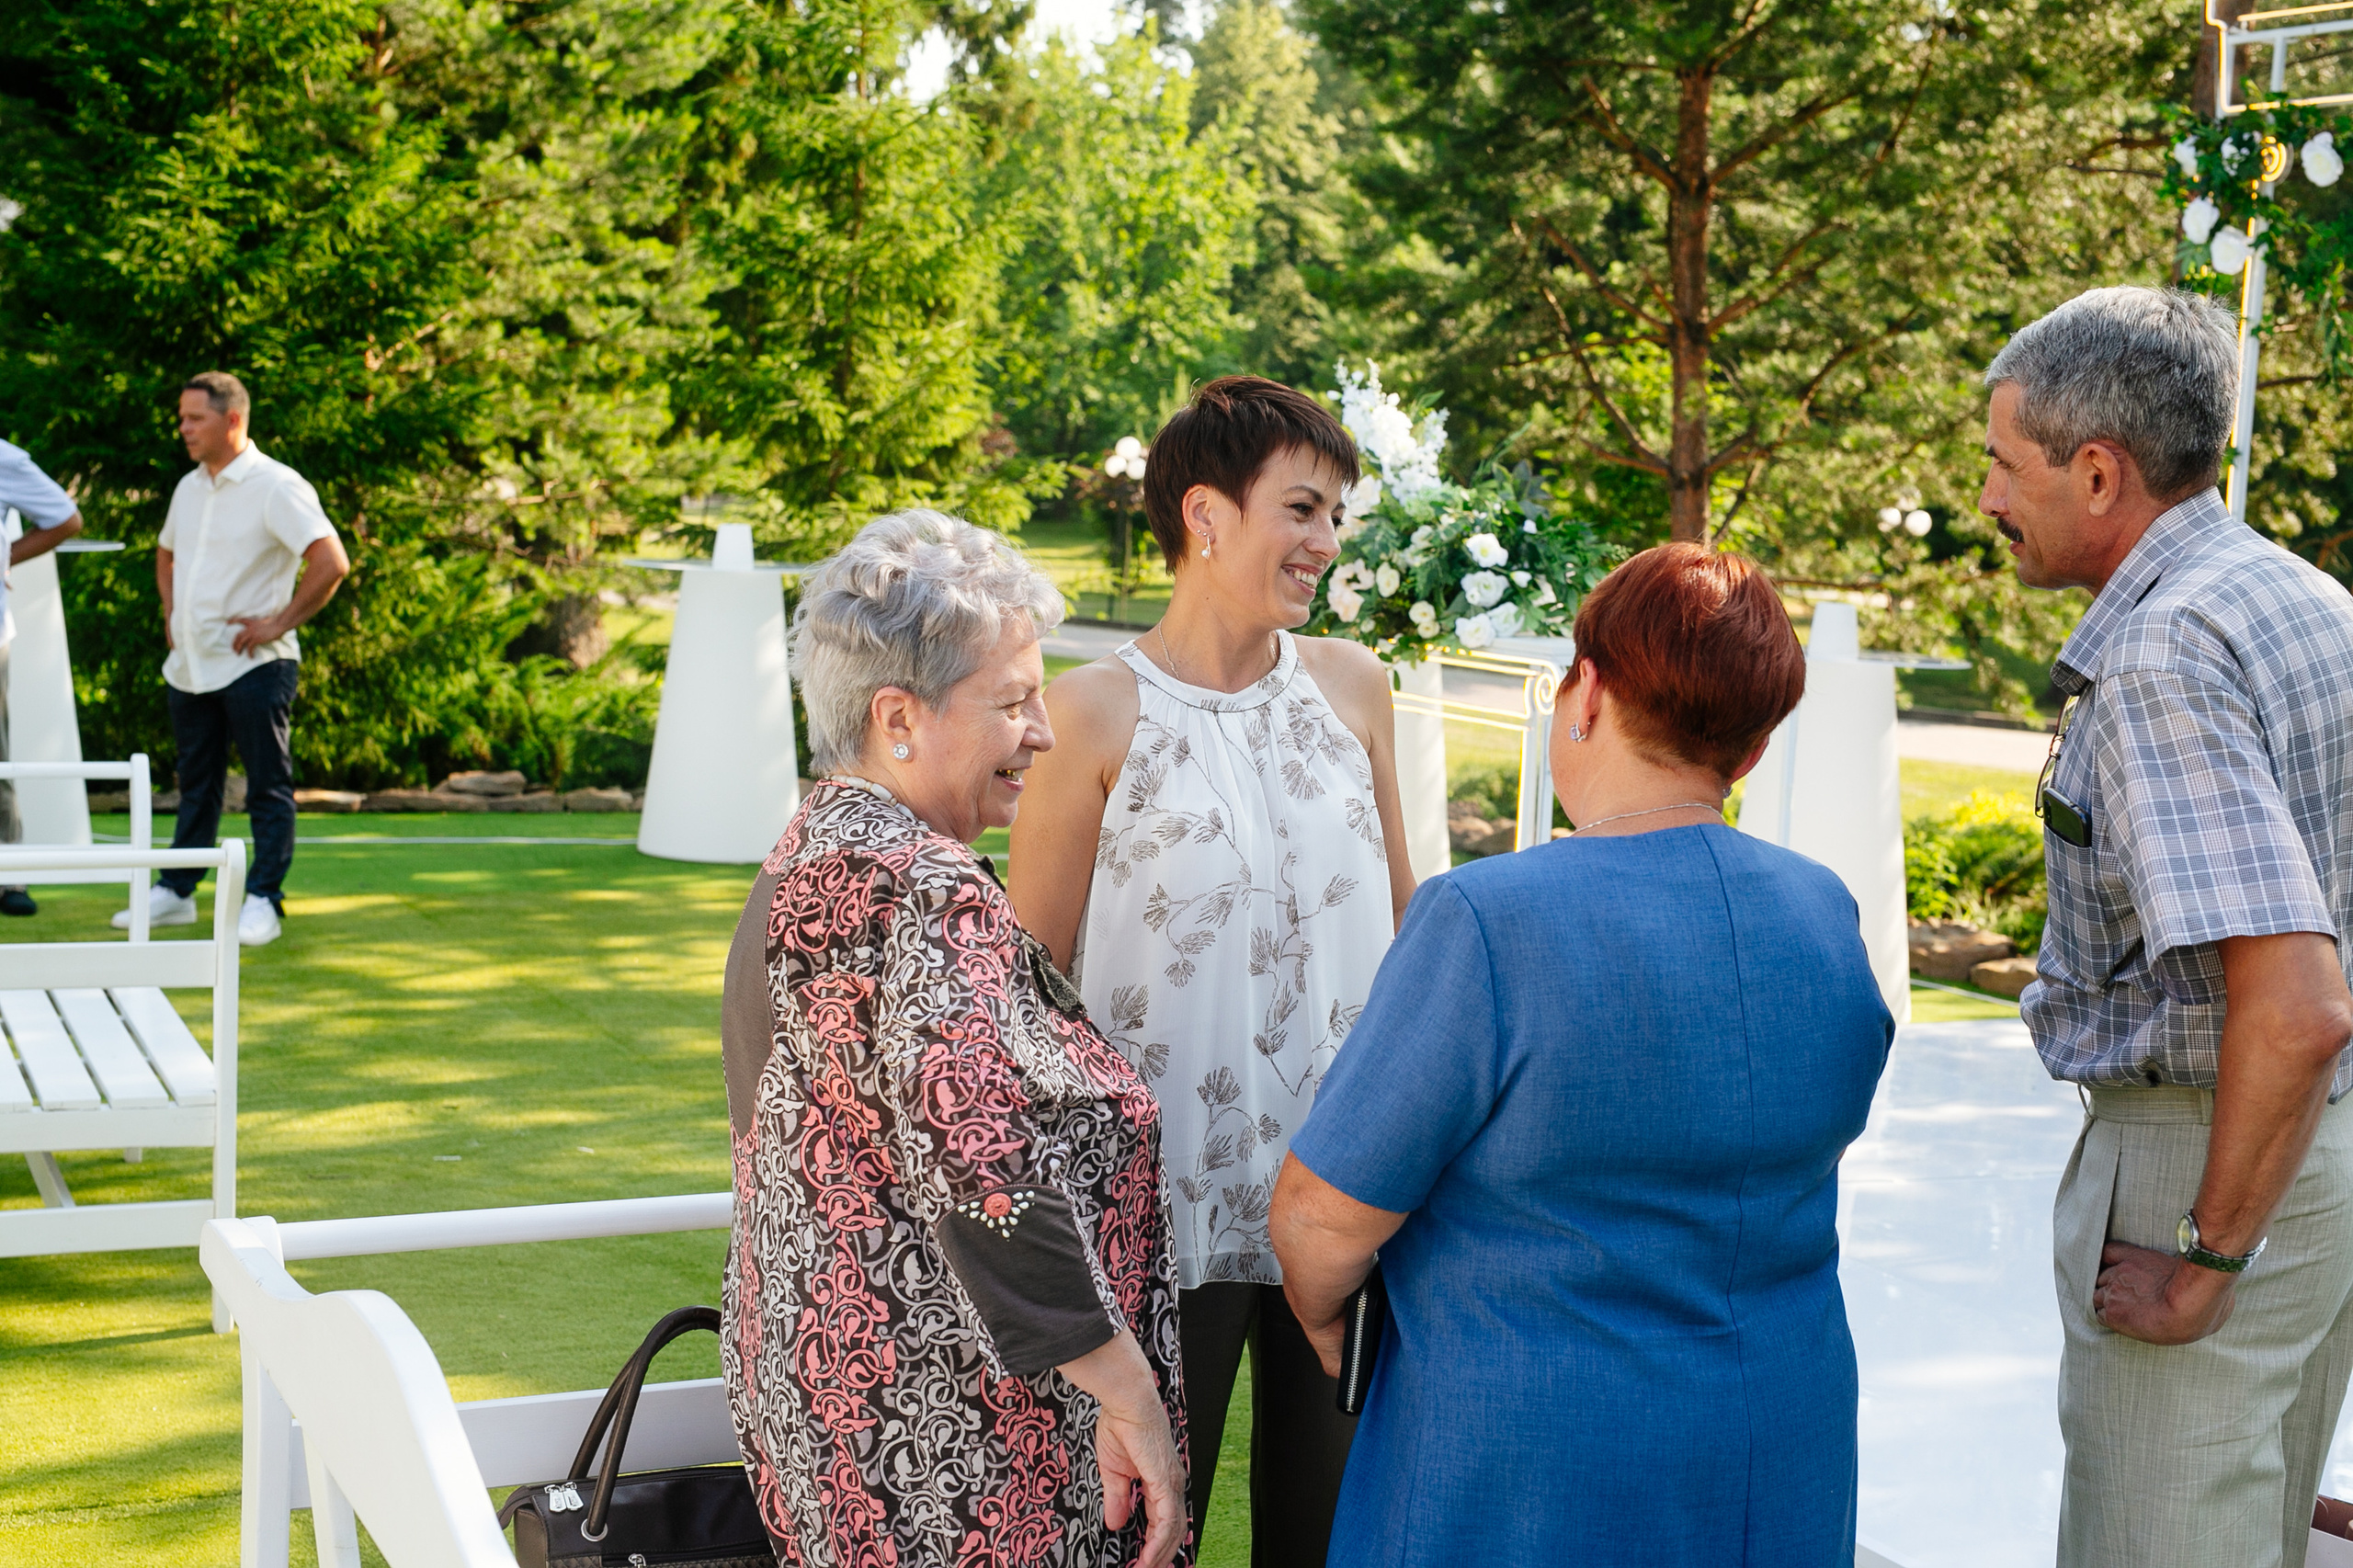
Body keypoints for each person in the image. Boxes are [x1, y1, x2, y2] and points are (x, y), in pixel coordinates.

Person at [1269, 543, 1896, 1568]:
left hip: (1526, 1465)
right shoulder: (1822, 908)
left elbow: (1319, 1215)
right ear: (1749, 750)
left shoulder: (1488, 917)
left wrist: (1331, 1325)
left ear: (1588, 692)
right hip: (1778, 1429)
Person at [720, 510, 1188, 1568]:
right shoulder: (924, 889)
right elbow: (987, 1169)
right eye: (1014, 702)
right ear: (899, 717)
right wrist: (1129, 1395)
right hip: (956, 1444)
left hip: (839, 1406)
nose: (1045, 732)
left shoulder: (810, 855)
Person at [1979, 286, 2353, 1568]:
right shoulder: (2300, 597)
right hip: (2312, 1158)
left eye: (2000, 462)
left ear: (2098, 471)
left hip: (2213, 1151)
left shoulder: (2158, 654)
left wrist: (2203, 1260)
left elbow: (2299, 1004)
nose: (1985, 498)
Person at [1010, 376, 1414, 1564]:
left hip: (1343, 1206)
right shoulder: (1084, 714)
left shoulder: (1355, 689)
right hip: (1154, 1222)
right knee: (1139, 1542)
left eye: (1336, 514)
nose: (1326, 543)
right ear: (1205, 514)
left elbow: (1408, 938)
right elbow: (1029, 1000)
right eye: (1302, 508)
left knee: (1332, 1538)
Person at [113, 372, 348, 947]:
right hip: (191, 666)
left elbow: (331, 561)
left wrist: (279, 622)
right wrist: (172, 612)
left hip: (256, 666)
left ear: (233, 420)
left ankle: (264, 898)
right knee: (196, 784)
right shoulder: (189, 487)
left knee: (268, 786)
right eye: (182, 418)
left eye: (195, 419)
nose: (183, 429)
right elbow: (166, 551)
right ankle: (177, 890)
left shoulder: (277, 486)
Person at [0, 440, 87, 915]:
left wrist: (4, 556)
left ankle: (9, 876)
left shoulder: (3, 458)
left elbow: (65, 518)